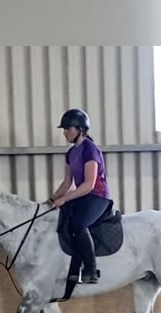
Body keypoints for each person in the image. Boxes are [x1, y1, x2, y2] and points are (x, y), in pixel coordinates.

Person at [51, 108, 111, 284]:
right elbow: (67, 183)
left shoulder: (90, 150)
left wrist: (65, 199)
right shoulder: (70, 153)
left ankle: (91, 269)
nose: (64, 133)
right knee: (65, 220)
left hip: (97, 196)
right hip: (81, 195)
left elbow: (88, 184)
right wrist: (52, 199)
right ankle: (72, 269)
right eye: (64, 129)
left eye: (67, 129)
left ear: (80, 129)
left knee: (78, 223)